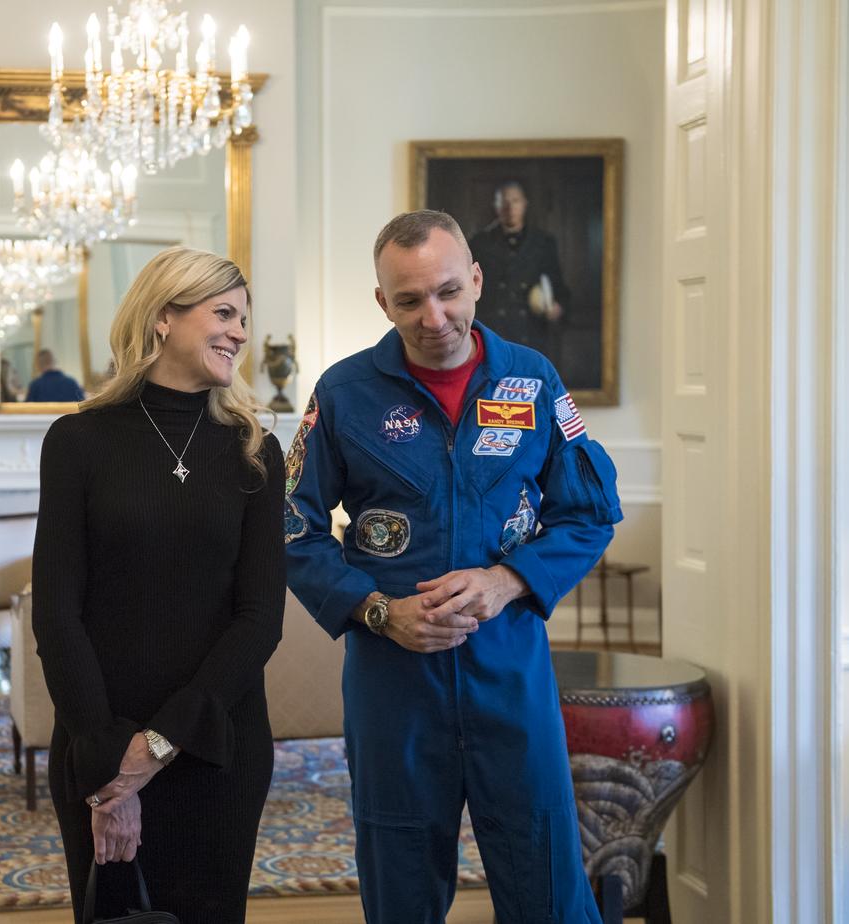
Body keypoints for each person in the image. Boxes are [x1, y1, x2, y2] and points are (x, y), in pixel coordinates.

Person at [284, 210, 622, 923]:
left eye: (446, 291)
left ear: (475, 280)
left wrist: (508, 581)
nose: (432, 315)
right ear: (382, 302)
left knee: (546, 874)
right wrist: (379, 610)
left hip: (510, 670)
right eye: (408, 299)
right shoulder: (344, 394)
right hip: (392, 683)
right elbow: (292, 529)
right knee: (400, 878)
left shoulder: (531, 382)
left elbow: (588, 511)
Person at [32, 247, 286, 924]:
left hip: (216, 750)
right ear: (163, 318)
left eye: (243, 318)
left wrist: (158, 746)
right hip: (97, 746)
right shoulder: (77, 441)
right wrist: (112, 766)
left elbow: (261, 617)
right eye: (223, 313)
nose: (239, 331)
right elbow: (56, 613)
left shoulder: (254, 450)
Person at [468, 180, 571, 355]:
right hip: (493, 334)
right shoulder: (479, 243)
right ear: (496, 206)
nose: (510, 208)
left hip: (531, 333)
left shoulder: (544, 242)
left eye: (515, 201)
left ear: (524, 204)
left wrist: (557, 307)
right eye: (504, 202)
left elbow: (558, 286)